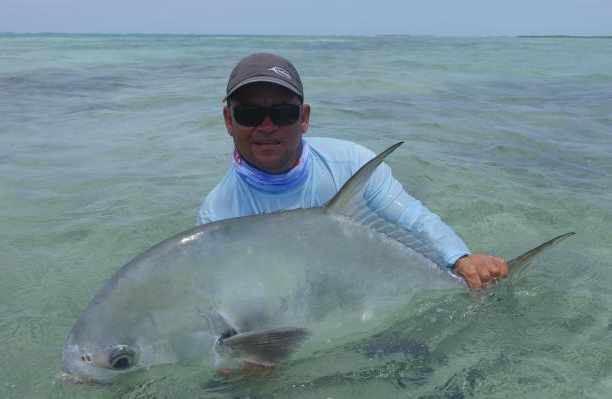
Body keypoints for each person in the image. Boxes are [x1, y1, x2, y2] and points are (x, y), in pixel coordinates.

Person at [198, 53, 508, 288]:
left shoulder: (350, 163)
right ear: (228, 121)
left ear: (304, 118)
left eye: (282, 112)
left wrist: (460, 258)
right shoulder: (217, 214)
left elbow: (413, 218)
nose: (267, 127)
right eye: (250, 114)